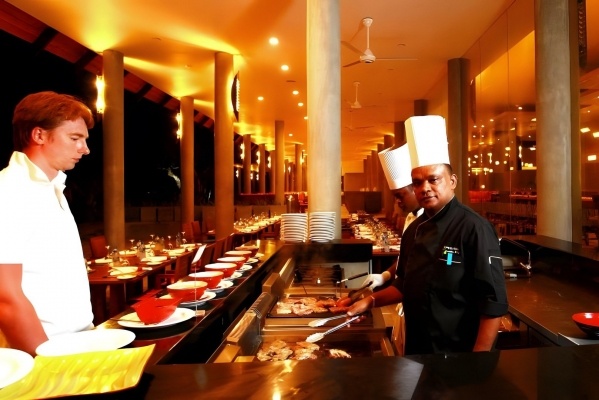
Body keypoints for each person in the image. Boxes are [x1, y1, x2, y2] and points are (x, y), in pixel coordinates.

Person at [348, 115, 508, 355]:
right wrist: (369, 301)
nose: (425, 188)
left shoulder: (474, 228)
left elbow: (493, 302)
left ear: (452, 181)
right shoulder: (414, 229)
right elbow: (404, 285)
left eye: (434, 180)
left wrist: (478, 360)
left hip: (459, 353)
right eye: (417, 182)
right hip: (419, 348)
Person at [0, 91, 95, 355]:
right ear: (39, 135)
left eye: (85, 140)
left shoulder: (52, 189)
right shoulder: (10, 191)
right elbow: (5, 296)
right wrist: (47, 362)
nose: (85, 149)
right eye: (75, 138)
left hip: (78, 343)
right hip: (45, 353)